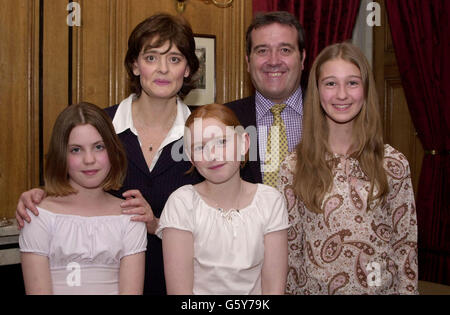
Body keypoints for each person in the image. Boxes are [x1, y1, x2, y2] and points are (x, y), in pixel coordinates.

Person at [15, 13, 201, 295]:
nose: (163, 69)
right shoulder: (98, 128)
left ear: (187, 69)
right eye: (151, 57)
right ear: (135, 65)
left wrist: (157, 225)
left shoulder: (205, 134)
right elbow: (71, 188)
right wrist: (40, 194)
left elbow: (226, 222)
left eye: (174, 59)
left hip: (188, 287)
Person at [278, 42, 418, 294]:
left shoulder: (393, 163)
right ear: (317, 91)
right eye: (330, 83)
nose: (341, 94)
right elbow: (291, 253)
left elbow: (405, 248)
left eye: (352, 83)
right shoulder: (294, 166)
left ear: (365, 90)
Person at [156, 104, 289, 294]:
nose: (213, 155)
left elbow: (273, 288)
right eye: (200, 147)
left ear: (244, 143)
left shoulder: (269, 202)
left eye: (222, 142)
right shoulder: (182, 204)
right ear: (190, 157)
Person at [19, 102, 147, 294]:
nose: (89, 160)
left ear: (112, 150)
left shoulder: (130, 217)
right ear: (61, 154)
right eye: (76, 150)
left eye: (98, 147)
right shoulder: (38, 215)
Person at [226, 11, 306, 186]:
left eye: (285, 50)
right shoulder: (224, 120)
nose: (274, 61)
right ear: (248, 61)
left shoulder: (331, 115)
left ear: (302, 58)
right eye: (262, 51)